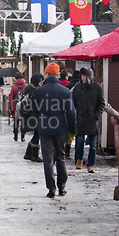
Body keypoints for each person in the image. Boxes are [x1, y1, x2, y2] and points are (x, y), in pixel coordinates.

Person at [31, 63, 76, 198]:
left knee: (48, 160)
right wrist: (72, 129)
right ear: (57, 75)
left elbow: (33, 108)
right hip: (61, 129)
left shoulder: (39, 91)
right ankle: (62, 187)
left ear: (47, 74)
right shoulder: (65, 92)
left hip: (45, 128)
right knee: (60, 158)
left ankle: (51, 189)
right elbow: (71, 113)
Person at [72, 67, 105, 173]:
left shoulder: (97, 88)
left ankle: (90, 164)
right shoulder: (78, 87)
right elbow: (73, 102)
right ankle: (79, 159)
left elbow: (101, 103)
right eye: (81, 76)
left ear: (90, 76)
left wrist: (96, 116)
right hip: (81, 119)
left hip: (92, 120)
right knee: (80, 142)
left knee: (93, 146)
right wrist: (74, 114)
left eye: (84, 76)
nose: (82, 78)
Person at [22, 73, 44, 162]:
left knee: (36, 134)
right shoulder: (33, 90)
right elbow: (35, 104)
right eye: (41, 80)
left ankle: (28, 153)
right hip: (34, 115)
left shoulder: (29, 88)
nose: (42, 82)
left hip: (30, 115)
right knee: (37, 134)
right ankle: (34, 155)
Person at [9, 72, 28, 142]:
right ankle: (23, 136)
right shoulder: (26, 86)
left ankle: (15, 135)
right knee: (23, 121)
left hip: (15, 106)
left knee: (16, 121)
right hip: (23, 106)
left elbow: (11, 98)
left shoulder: (14, 86)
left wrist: (10, 108)